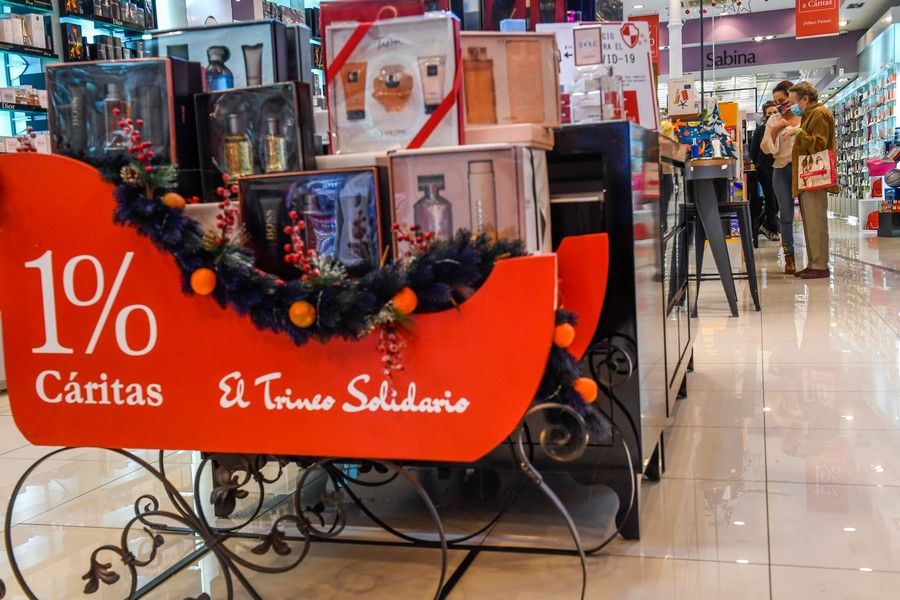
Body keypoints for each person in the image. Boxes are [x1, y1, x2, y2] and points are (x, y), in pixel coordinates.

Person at [771, 81, 837, 279]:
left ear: (805, 99)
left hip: (816, 176)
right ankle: (814, 262)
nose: (792, 106)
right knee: (810, 220)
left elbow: (819, 144)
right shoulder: (812, 114)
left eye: (793, 101)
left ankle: (820, 265)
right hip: (808, 177)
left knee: (816, 220)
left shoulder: (820, 114)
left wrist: (798, 132)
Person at [761, 89, 802, 274]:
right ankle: (789, 259)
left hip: (803, 169)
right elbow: (766, 148)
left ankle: (815, 259)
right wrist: (777, 128)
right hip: (781, 169)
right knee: (786, 217)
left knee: (809, 216)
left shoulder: (804, 116)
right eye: (776, 101)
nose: (780, 104)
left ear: (791, 98)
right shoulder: (773, 120)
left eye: (783, 99)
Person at [749, 101, 780, 244]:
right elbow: (753, 151)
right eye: (769, 113)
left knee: (778, 200)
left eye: (775, 112)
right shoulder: (760, 131)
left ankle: (764, 224)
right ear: (765, 115)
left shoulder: (782, 129)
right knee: (770, 199)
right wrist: (758, 164)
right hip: (765, 169)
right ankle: (773, 229)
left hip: (780, 167)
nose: (772, 115)